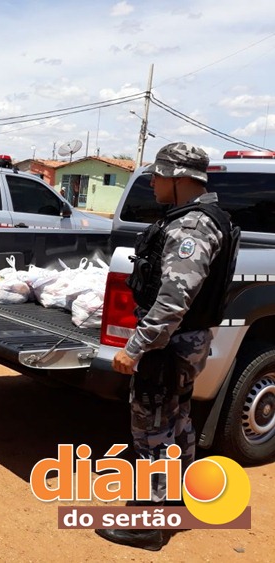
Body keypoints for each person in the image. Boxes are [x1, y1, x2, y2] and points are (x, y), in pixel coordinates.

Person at [96, 142, 239, 551]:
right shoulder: (205, 217)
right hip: (184, 342)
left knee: (152, 430)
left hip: (169, 344)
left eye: (158, 176)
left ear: (178, 179)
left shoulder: (192, 227)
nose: (153, 183)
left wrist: (134, 348)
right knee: (178, 421)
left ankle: (147, 524)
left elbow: (173, 300)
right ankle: (177, 500)